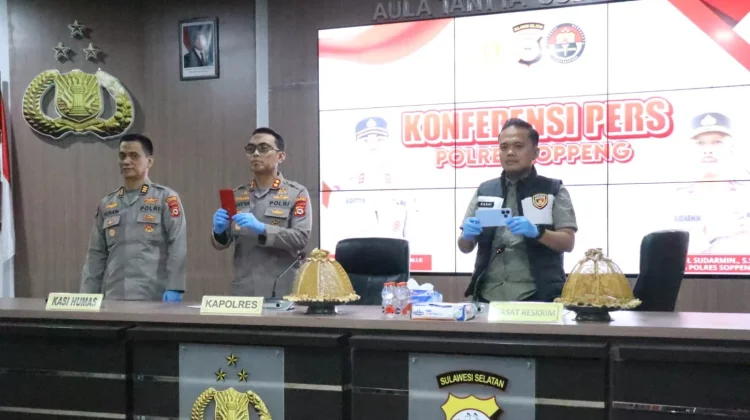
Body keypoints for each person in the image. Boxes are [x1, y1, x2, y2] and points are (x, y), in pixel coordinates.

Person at [458, 118, 578, 302]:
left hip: (538, 297)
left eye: (518, 146)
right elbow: (465, 247)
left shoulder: (553, 190)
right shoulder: (485, 190)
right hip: (488, 296)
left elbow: (568, 242)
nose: (510, 152)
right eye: (504, 147)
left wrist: (538, 232)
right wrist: (467, 235)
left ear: (535, 152)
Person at [80, 134, 187, 301]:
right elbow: (96, 254)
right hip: (114, 296)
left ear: (149, 161)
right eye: (122, 156)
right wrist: (86, 296)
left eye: (134, 156)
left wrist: (175, 287)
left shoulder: (166, 198)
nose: (126, 161)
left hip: (154, 297)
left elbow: (177, 245)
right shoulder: (107, 203)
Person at [211, 127, 312, 296]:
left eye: (264, 148)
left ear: (281, 156)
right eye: (251, 149)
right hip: (244, 288)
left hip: (281, 289)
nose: (256, 154)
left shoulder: (296, 193)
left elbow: (300, 238)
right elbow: (222, 243)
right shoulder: (238, 194)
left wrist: (263, 229)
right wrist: (218, 232)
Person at [671, 112, 750, 254]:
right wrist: (707, 234)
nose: (708, 151)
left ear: (732, 148)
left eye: (718, 142)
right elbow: (663, 254)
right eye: (700, 143)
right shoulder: (673, 198)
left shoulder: (746, 194)